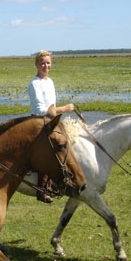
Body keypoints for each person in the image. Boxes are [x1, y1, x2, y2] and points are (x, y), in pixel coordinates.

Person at [28, 50, 75, 203]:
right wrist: (64, 109)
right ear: (36, 64)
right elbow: (41, 109)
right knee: (49, 151)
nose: (45, 66)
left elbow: (51, 106)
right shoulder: (34, 84)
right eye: (42, 63)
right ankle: (42, 190)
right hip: (39, 122)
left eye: (48, 63)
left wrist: (57, 113)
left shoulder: (50, 82)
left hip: (51, 121)